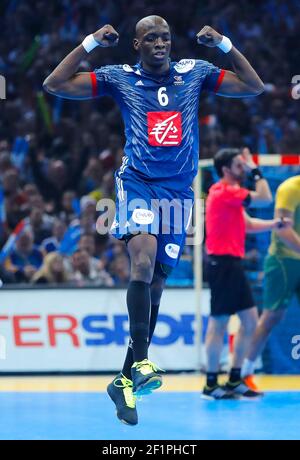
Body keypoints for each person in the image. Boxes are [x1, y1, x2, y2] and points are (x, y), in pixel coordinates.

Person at [44, 16, 264, 425]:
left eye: (164, 37)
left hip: (179, 192)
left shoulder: (193, 72)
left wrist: (224, 44)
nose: (160, 43)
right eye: (150, 38)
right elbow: (54, 84)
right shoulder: (119, 77)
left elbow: (253, 86)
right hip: (139, 183)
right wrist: (91, 42)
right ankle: (143, 363)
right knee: (142, 260)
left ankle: (123, 380)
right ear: (136, 45)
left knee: (157, 284)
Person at [202, 147, 292, 400]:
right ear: (226, 170)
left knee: (251, 322)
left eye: (244, 166)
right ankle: (210, 384)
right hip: (222, 265)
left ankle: (233, 379)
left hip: (233, 264)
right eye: (238, 165)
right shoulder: (224, 190)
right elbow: (264, 198)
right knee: (218, 323)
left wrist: (274, 225)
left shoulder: (230, 196)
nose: (242, 169)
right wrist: (255, 170)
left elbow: (248, 224)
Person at [242, 175, 300, 383]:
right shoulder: (290, 188)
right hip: (283, 261)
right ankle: (245, 373)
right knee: (271, 317)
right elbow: (283, 230)